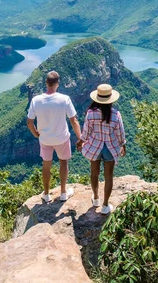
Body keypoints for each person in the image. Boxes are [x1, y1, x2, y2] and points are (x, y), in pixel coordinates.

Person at [26, 71, 82, 203]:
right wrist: (80, 138)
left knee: (46, 166)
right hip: (62, 138)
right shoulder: (64, 99)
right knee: (63, 163)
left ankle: (46, 194)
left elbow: (29, 122)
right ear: (57, 83)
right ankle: (63, 193)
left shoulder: (36, 100)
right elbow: (74, 120)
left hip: (44, 139)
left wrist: (36, 134)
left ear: (46, 83)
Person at [77, 84, 126, 215]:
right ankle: (105, 205)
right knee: (108, 176)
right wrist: (123, 145)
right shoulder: (116, 114)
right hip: (110, 148)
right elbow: (120, 133)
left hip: (95, 147)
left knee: (94, 173)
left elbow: (86, 132)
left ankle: (96, 199)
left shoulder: (91, 113)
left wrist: (80, 142)